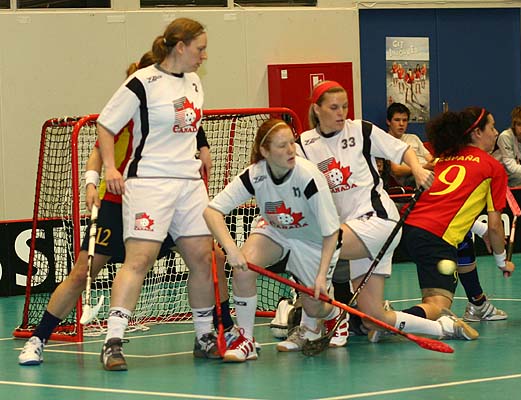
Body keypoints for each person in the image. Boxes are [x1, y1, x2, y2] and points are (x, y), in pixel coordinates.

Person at [16, 51, 233, 366]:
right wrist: (92, 183)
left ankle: (222, 328)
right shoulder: (130, 107)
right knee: (82, 272)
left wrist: (204, 148)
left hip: (165, 201)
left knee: (212, 258)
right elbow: (97, 150)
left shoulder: (175, 106)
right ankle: (39, 338)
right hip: (118, 202)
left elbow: (191, 127)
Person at [296, 80, 478, 344]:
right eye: (334, 108)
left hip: (378, 221)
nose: (341, 113)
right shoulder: (304, 144)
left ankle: (313, 325)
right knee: (373, 316)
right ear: (317, 109)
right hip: (351, 231)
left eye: (344, 106)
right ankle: (443, 328)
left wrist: (417, 169)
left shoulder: (361, 130)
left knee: (318, 244)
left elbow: (402, 150)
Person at [97, 18, 216, 371]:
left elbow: (189, 125)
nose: (204, 56)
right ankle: (112, 342)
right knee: (139, 260)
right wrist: (109, 168)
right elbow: (106, 124)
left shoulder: (194, 82)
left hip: (189, 184)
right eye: (200, 49)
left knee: (202, 258)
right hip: (150, 181)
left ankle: (204, 336)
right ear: (180, 47)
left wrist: (202, 147)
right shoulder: (141, 83)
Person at [204, 118, 345, 362]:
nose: (291, 150)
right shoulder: (255, 174)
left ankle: (336, 313)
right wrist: (231, 250)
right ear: (265, 151)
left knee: (314, 306)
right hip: (276, 231)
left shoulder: (308, 176)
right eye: (282, 145)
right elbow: (212, 211)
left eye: (292, 142)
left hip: (314, 242)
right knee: (244, 269)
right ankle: (246, 340)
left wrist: (322, 276)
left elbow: (332, 232)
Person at [398, 106, 515, 325]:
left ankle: (478, 303)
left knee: (463, 239)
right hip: (435, 238)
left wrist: (480, 230)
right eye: (492, 127)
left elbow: (447, 205)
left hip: (407, 228)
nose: (496, 132)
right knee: (438, 308)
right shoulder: (492, 167)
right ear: (477, 133)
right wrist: (502, 262)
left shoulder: (443, 158)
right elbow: (495, 226)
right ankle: (384, 320)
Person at [378, 102, 434, 192]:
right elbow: (396, 170)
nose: (401, 124)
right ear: (388, 122)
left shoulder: (413, 137)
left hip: (429, 172)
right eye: (397, 120)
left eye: (404, 120)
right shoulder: (384, 142)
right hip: (410, 177)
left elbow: (430, 159)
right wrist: (424, 167)